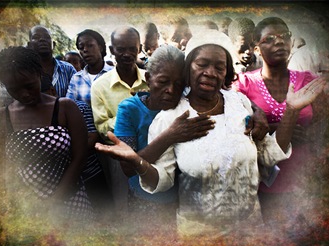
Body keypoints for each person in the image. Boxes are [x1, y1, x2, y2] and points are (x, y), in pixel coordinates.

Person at [95, 29, 326, 238]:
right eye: (202, 64)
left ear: (226, 72)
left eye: (219, 67)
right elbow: (162, 181)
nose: (210, 73)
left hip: (250, 229)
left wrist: (292, 111)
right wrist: (138, 162)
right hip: (199, 236)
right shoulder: (170, 118)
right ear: (189, 68)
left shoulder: (240, 103)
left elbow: (267, 155)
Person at [233, 17, 328, 228]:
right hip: (267, 180)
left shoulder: (308, 81)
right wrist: (278, 128)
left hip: (304, 177)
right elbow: (236, 130)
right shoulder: (243, 84)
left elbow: (324, 127)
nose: (279, 42)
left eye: (285, 37)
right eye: (270, 38)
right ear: (256, 47)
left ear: (292, 42)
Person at [0, 46, 94, 225]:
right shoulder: (2, 118)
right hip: (28, 209)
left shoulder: (65, 108)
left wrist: (55, 201)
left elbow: (80, 157)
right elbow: (3, 167)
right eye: (14, 90)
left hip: (71, 200)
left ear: (40, 74)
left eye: (29, 86)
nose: (24, 94)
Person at [114, 45, 214, 222]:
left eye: (179, 84)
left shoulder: (186, 106)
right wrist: (170, 136)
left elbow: (226, 99)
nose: (171, 90)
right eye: (163, 82)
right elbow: (129, 168)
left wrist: (255, 110)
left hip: (184, 201)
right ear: (148, 79)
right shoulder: (129, 110)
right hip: (144, 201)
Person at [90, 26, 148, 214]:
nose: (127, 54)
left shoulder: (151, 79)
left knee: (152, 201)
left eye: (132, 48)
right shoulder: (100, 86)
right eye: (121, 49)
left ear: (140, 48)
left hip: (153, 149)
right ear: (111, 50)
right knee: (124, 207)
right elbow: (101, 127)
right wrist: (128, 118)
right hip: (117, 156)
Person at [41, 73, 113, 213]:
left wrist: (60, 152)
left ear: (52, 91)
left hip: (90, 174)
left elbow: (92, 138)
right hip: (59, 181)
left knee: (104, 213)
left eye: (43, 96)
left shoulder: (78, 107)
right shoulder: (33, 115)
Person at [66, 29, 114, 106]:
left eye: (90, 45)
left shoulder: (114, 74)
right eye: (81, 47)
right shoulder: (76, 78)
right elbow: (69, 106)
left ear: (100, 47)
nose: (85, 50)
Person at [27, 25, 76, 97]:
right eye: (36, 37)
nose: (42, 40)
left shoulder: (68, 69)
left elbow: (77, 98)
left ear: (53, 44)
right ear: (29, 45)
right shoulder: (24, 71)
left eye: (47, 37)